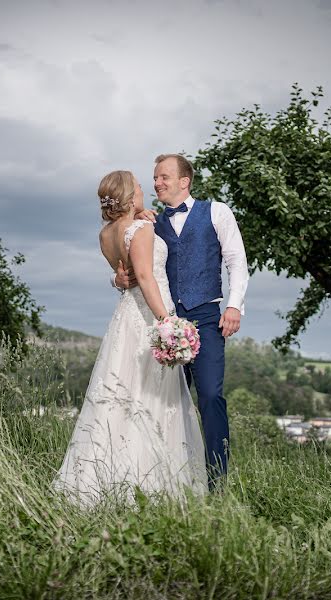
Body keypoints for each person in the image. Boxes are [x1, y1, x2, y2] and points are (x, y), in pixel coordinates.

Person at [52, 170, 207, 508]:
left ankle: (98, 478)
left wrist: (118, 279)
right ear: (128, 194)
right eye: (138, 185)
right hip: (148, 318)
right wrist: (167, 322)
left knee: (117, 397)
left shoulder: (106, 233)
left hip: (124, 320)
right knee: (153, 398)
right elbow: (147, 279)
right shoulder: (142, 228)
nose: (143, 189)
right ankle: (154, 485)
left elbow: (124, 275)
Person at [113, 154, 249, 491]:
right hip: (163, 322)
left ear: (184, 181)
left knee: (210, 396)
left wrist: (234, 306)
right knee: (164, 403)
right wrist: (118, 280)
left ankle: (217, 481)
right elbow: (133, 272)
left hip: (205, 319)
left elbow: (237, 262)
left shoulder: (217, 212)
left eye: (164, 177)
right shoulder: (149, 223)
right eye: (155, 178)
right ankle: (163, 480)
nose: (157, 183)